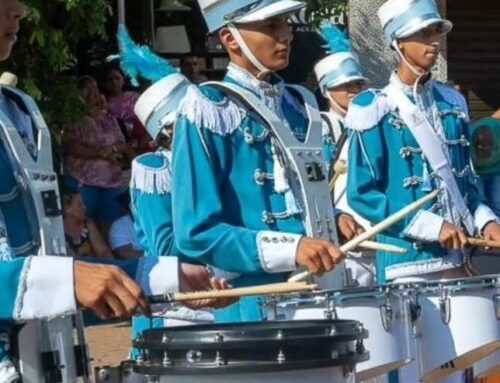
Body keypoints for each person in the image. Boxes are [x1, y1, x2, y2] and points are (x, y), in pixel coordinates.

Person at [0, 2, 232, 381]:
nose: (21, 12)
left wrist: (163, 276)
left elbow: (45, 263)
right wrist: (68, 279)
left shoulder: (17, 109)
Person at [171, 0, 363, 322]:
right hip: (250, 304)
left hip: (321, 290)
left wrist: (335, 216)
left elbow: (305, 193)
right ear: (231, 39)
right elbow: (195, 230)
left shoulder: (300, 103)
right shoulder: (207, 107)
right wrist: (291, 248)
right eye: (271, 25)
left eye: (286, 23)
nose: (286, 35)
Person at [345, 0, 500, 381]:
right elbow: (362, 193)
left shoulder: (453, 102)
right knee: (415, 372)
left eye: (435, 33)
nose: (433, 42)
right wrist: (432, 226)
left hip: (456, 263)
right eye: (422, 34)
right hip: (406, 266)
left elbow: (466, 182)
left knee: (459, 370)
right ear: (397, 41)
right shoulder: (373, 108)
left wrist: (487, 221)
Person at [314, 22, 375, 287]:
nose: (353, 90)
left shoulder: (373, 122)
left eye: (358, 83)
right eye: (344, 85)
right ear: (327, 90)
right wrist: (336, 216)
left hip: (375, 234)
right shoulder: (318, 127)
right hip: (342, 241)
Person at [64, 75, 133, 236]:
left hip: (110, 182)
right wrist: (101, 154)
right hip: (84, 181)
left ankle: (108, 257)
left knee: (109, 225)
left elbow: (123, 144)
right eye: (87, 89)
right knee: (84, 222)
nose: (93, 93)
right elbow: (71, 146)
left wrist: (113, 150)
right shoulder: (74, 119)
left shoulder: (108, 117)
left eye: (94, 88)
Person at [99, 65, 152, 153]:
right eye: (110, 79)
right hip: (119, 141)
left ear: (123, 80)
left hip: (143, 136)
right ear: (104, 83)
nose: (114, 82)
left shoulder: (134, 96)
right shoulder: (102, 102)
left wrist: (146, 135)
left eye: (117, 78)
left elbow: (148, 115)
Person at [62, 186, 114, 257]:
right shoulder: (59, 229)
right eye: (79, 205)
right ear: (66, 209)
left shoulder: (88, 224)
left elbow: (103, 251)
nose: (84, 207)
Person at [470, 117, 500, 216]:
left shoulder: (498, 131)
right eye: (481, 147)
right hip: (477, 173)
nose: (483, 149)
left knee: (496, 202)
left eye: (487, 147)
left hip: (497, 170)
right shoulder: (468, 140)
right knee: (479, 202)